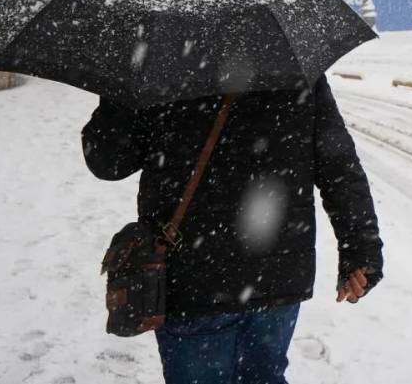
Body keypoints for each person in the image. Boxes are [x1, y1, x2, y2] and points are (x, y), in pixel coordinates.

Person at [81, 75, 383, 384]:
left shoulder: (158, 60)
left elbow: (108, 161)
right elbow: (338, 165)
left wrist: (120, 85)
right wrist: (362, 248)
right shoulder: (290, 58)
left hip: (193, 277)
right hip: (276, 276)